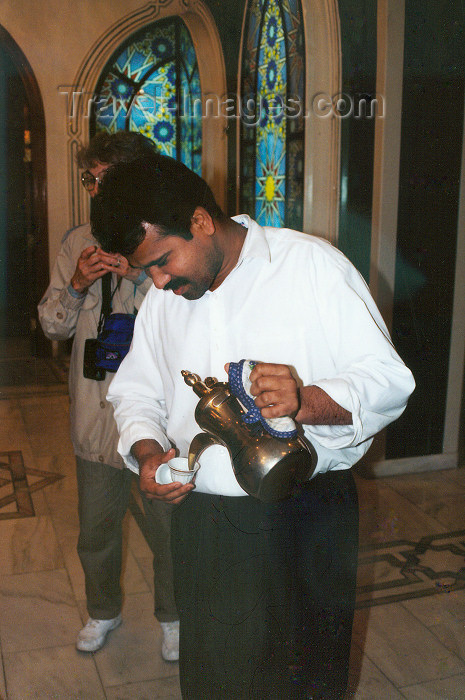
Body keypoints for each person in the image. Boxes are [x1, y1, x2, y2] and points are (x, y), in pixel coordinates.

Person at [91, 153, 415, 698]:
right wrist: (147, 452)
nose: (159, 280)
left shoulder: (310, 266)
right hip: (206, 523)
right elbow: (135, 390)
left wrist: (306, 401)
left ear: (199, 221)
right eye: (147, 268)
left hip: (305, 516)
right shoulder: (166, 300)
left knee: (305, 679)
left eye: (164, 260)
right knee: (215, 677)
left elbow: (390, 381)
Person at [38, 134, 179, 659]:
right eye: (88, 179)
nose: (94, 189)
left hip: (157, 422)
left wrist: (140, 276)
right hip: (96, 415)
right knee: (95, 530)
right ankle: (103, 611)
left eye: (103, 179)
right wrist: (75, 285)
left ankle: (174, 616)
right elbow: (52, 328)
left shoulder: (169, 239)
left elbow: (186, 319)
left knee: (167, 531)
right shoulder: (78, 241)